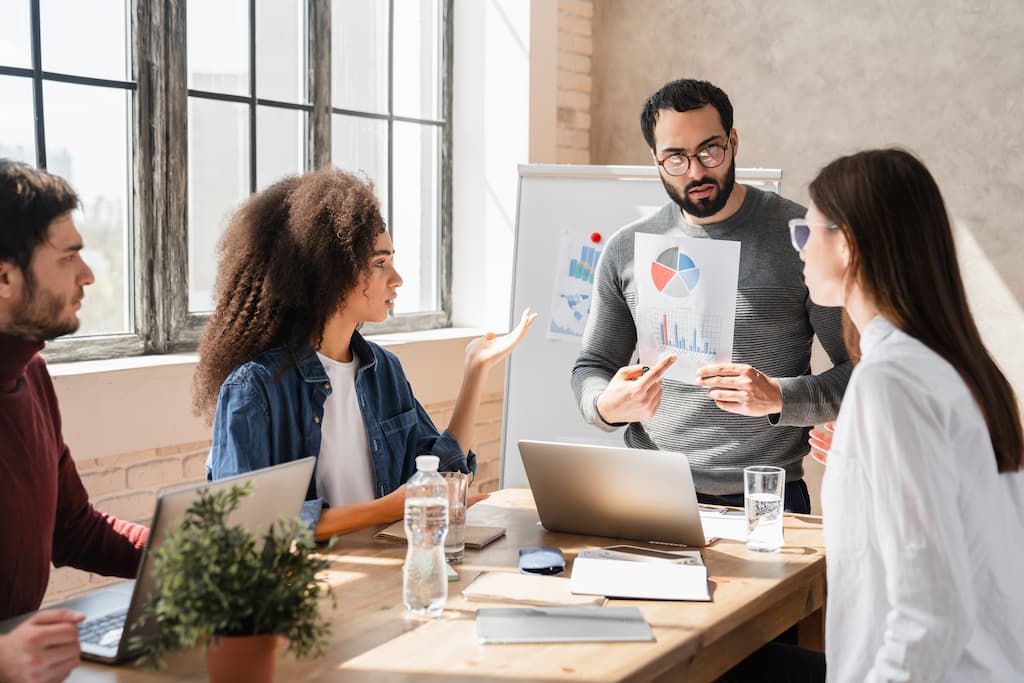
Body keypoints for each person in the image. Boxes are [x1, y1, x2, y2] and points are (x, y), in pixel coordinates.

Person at [728, 148, 1024, 682]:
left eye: (805, 232)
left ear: (848, 244)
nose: (798, 251)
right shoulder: (953, 368)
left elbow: (930, 615)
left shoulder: (892, 382)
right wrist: (867, 464)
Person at [195, 167, 534, 540]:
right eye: (379, 263)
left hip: (384, 578)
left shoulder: (382, 369)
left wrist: (475, 371)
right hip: (308, 588)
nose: (397, 278)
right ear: (330, 273)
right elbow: (245, 526)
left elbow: (434, 478)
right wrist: (387, 508)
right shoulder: (254, 388)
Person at [572, 79, 851, 513]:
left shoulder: (800, 238)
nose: (697, 171)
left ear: (733, 142)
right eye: (676, 159)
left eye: (709, 151)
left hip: (765, 493)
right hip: (650, 488)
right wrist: (605, 405)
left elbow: (860, 373)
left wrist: (778, 396)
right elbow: (593, 366)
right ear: (656, 160)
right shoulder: (627, 249)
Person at [0, 160, 150, 682]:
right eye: (69, 259)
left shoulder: (31, 376)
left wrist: (184, 552)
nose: (87, 276)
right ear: (3, 276)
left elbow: (74, 530)